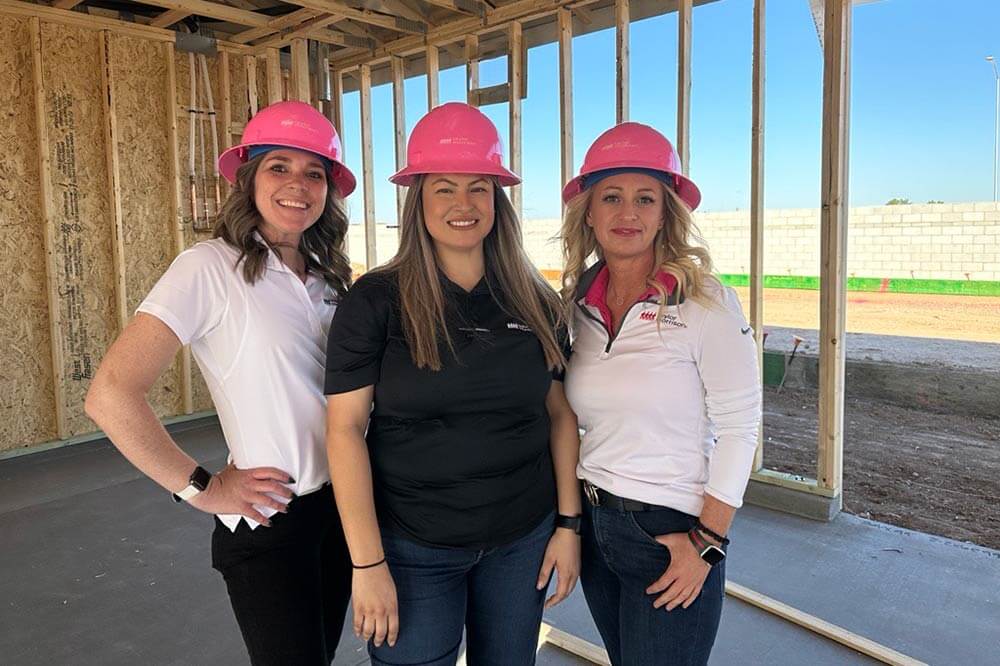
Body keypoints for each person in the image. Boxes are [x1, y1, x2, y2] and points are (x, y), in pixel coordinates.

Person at [85, 100, 356, 666]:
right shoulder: (209, 267)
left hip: (342, 509)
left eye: (314, 172)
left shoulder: (329, 276)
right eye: (279, 166)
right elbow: (110, 393)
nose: (297, 186)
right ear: (249, 177)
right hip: (270, 518)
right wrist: (203, 488)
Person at [324, 102, 581, 665]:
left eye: (479, 188)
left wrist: (567, 525)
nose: (463, 205)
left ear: (498, 201)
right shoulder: (376, 301)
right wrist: (366, 563)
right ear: (419, 201)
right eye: (444, 188)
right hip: (412, 546)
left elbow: (558, 413)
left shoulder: (536, 302)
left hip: (521, 539)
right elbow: (343, 430)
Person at [559, 122, 762, 665]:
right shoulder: (579, 306)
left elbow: (741, 429)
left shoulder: (704, 303)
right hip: (596, 523)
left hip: (670, 531)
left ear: (666, 212)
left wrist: (708, 543)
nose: (629, 214)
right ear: (590, 211)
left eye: (645, 198)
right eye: (613, 198)